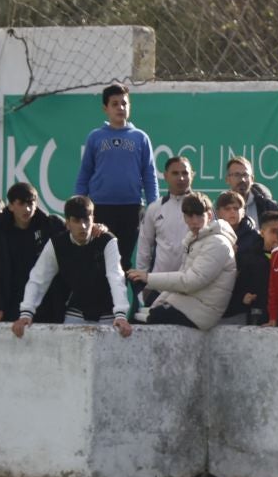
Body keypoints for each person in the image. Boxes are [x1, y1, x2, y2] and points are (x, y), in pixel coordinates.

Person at [73, 83, 157, 293]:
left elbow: (149, 174)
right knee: (100, 258)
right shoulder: (95, 137)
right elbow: (85, 173)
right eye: (115, 104)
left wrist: (154, 207)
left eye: (124, 103)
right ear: (105, 108)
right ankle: (102, 305)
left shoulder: (140, 137)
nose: (120, 108)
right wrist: (77, 205)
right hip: (101, 207)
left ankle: (130, 306)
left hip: (130, 208)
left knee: (123, 260)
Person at [11, 196, 133, 338]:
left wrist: (121, 315)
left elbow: (116, 277)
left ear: (93, 219)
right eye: (76, 221)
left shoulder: (107, 241)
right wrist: (26, 313)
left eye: (86, 220)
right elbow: (38, 279)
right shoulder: (56, 244)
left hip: (109, 317)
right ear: (67, 223)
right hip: (75, 314)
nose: (82, 226)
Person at [136, 192, 236, 330]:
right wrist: (157, 304)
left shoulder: (217, 243)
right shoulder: (195, 239)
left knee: (143, 320)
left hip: (202, 313)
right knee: (141, 316)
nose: (195, 221)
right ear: (184, 217)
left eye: (199, 215)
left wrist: (148, 278)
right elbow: (183, 278)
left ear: (210, 215)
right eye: (190, 216)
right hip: (189, 306)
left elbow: (190, 282)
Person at [0, 182, 66, 327]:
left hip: (47, 302)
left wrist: (96, 228)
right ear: (10, 206)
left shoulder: (51, 225)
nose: (27, 209)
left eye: (31, 203)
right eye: (21, 204)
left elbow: (77, 232)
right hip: (13, 303)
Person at [137, 154, 196, 309]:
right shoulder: (154, 208)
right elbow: (144, 247)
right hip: (158, 286)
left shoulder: (203, 207)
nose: (181, 178)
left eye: (185, 173)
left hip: (191, 288)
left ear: (192, 175)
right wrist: (142, 284)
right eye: (175, 173)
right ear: (165, 176)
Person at [214, 191, 267, 326]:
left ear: (244, 212)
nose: (232, 212)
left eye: (236, 208)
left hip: (244, 305)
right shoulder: (211, 236)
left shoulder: (255, 238)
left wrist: (237, 260)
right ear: (218, 212)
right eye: (227, 209)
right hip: (215, 303)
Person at [224, 154, 278, 219]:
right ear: (227, 179)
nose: (242, 179)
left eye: (245, 175)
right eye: (237, 175)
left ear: (252, 179)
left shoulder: (269, 207)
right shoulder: (220, 208)